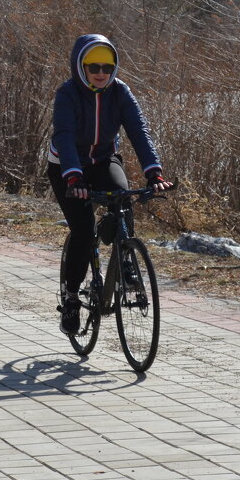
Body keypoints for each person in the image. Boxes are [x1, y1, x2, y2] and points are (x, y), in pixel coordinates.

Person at [48, 34, 174, 335]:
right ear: (81, 67)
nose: (101, 73)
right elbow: (64, 136)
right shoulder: (67, 94)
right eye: (94, 67)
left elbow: (138, 130)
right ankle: (71, 298)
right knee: (82, 230)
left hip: (104, 160)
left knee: (123, 202)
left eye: (107, 66)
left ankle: (126, 261)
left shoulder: (120, 92)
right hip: (67, 167)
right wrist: (74, 175)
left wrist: (153, 172)